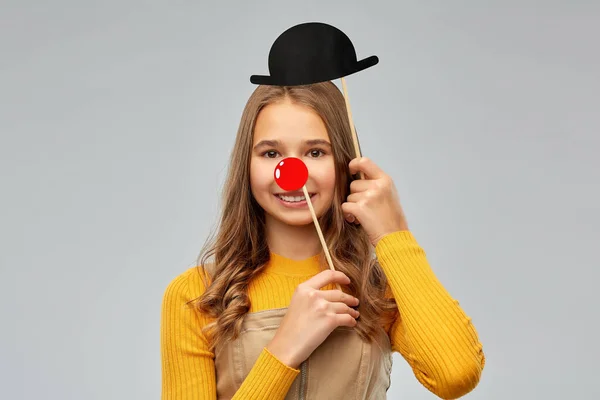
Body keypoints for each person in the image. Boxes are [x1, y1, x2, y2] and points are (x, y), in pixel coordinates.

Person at [160, 81, 485, 399]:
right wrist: (284, 350)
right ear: (247, 165)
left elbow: (455, 375)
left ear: (345, 163)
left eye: (315, 152)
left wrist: (394, 234)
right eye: (271, 153)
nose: (292, 173)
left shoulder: (377, 291)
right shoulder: (197, 296)